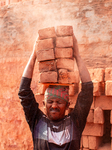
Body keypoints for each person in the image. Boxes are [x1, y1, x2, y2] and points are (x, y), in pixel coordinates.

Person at [18, 35, 93, 150]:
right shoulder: (37, 121)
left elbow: (87, 91)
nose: (54, 105)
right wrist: (33, 56)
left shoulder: (75, 122)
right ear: (44, 104)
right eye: (50, 101)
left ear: (68, 105)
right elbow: (24, 92)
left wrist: (77, 56)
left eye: (59, 101)